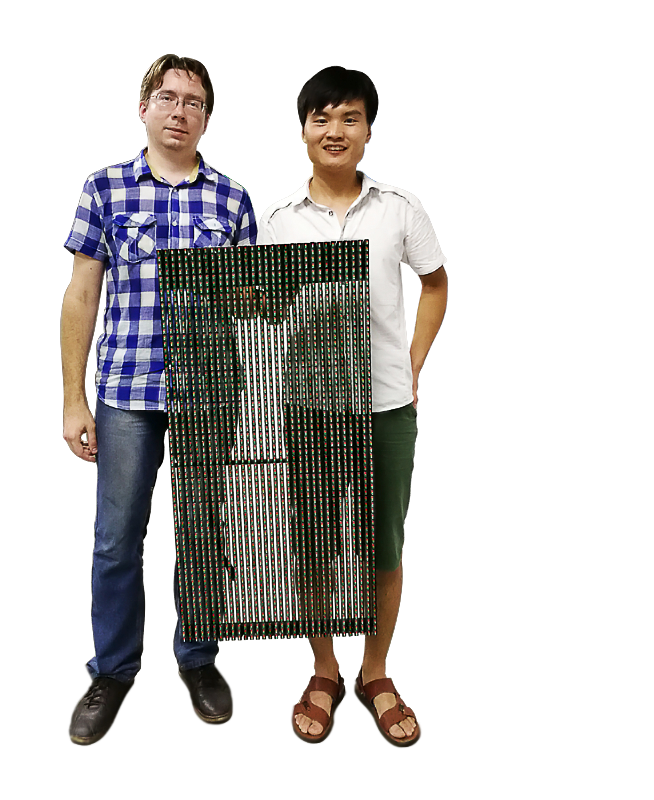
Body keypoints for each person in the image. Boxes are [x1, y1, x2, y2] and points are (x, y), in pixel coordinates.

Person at [61, 54, 257, 748]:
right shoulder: (105, 188)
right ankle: (112, 672)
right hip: (126, 392)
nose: (180, 111)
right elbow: (82, 295)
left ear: (207, 118)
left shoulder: (232, 200)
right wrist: (73, 401)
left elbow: (247, 304)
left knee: (205, 533)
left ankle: (198, 658)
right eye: (168, 97)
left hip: (210, 395)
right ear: (143, 107)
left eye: (194, 102)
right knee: (117, 539)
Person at [257, 65, 448, 748]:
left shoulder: (401, 207)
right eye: (322, 118)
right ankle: (325, 670)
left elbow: (436, 283)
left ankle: (375, 671)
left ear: (368, 131)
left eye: (350, 117)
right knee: (312, 545)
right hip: (309, 406)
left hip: (385, 407)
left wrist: (414, 362)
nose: (335, 130)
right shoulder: (276, 220)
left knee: (384, 546)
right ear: (303, 131)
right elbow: (268, 308)